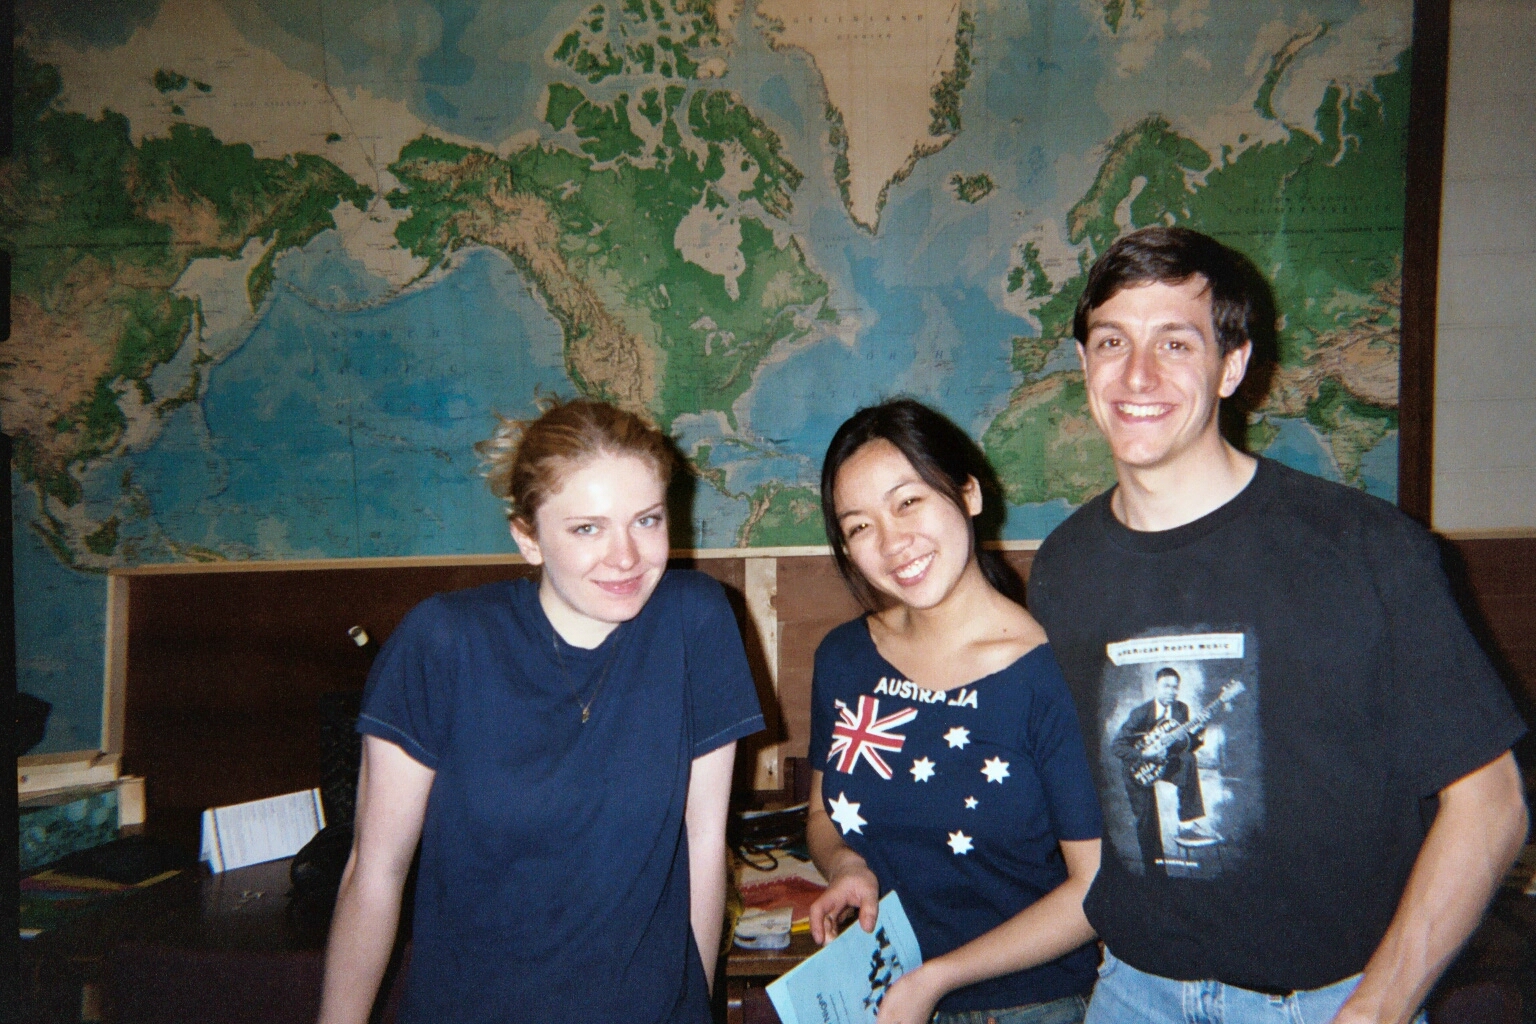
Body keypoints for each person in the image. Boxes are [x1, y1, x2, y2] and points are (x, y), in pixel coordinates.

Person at [1027, 226, 1528, 1024]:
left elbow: (1491, 802)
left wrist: (1378, 1008)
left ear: (1232, 366)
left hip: (1329, 1003)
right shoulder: (1062, 566)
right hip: (1130, 991)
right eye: (1113, 341)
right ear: (1084, 363)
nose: (1137, 374)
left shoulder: (1366, 547)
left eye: (1176, 343)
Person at [316, 398, 765, 1024]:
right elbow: (374, 874)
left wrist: (692, 1010)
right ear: (528, 539)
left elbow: (704, 846)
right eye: (587, 529)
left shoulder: (697, 621)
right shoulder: (443, 642)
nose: (626, 557)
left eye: (646, 520)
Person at [806, 399, 1103, 1024]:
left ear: (969, 492)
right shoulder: (844, 657)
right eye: (858, 527)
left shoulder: (1049, 674)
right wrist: (845, 865)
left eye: (908, 502)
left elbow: (1093, 891)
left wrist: (938, 980)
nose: (892, 542)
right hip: (880, 993)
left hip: (1025, 1005)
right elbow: (823, 815)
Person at [1110, 666, 1218, 872]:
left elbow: (1185, 746)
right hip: (1137, 768)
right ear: (1156, 687)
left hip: (1165, 762)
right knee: (1146, 820)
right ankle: (1154, 872)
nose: (1171, 691)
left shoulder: (1181, 710)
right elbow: (1117, 746)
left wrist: (1200, 729)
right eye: (1166, 686)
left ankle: (1187, 824)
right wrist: (1145, 755)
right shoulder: (1140, 713)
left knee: (1188, 759)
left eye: (1175, 687)